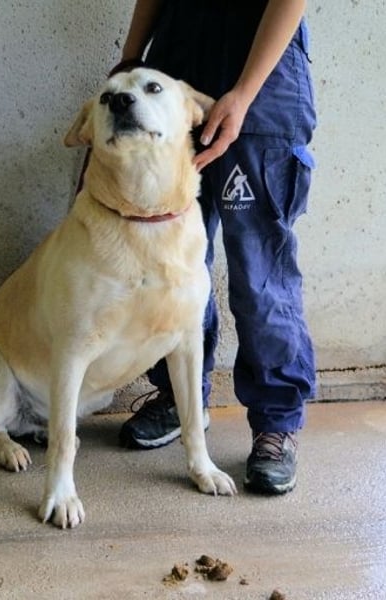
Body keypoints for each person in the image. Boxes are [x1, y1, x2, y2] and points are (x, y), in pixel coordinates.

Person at [112, 0, 318, 495]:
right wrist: (131, 60)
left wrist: (244, 95)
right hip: (175, 81)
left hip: (262, 87)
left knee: (259, 275)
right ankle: (182, 401)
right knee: (173, 263)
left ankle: (276, 422)